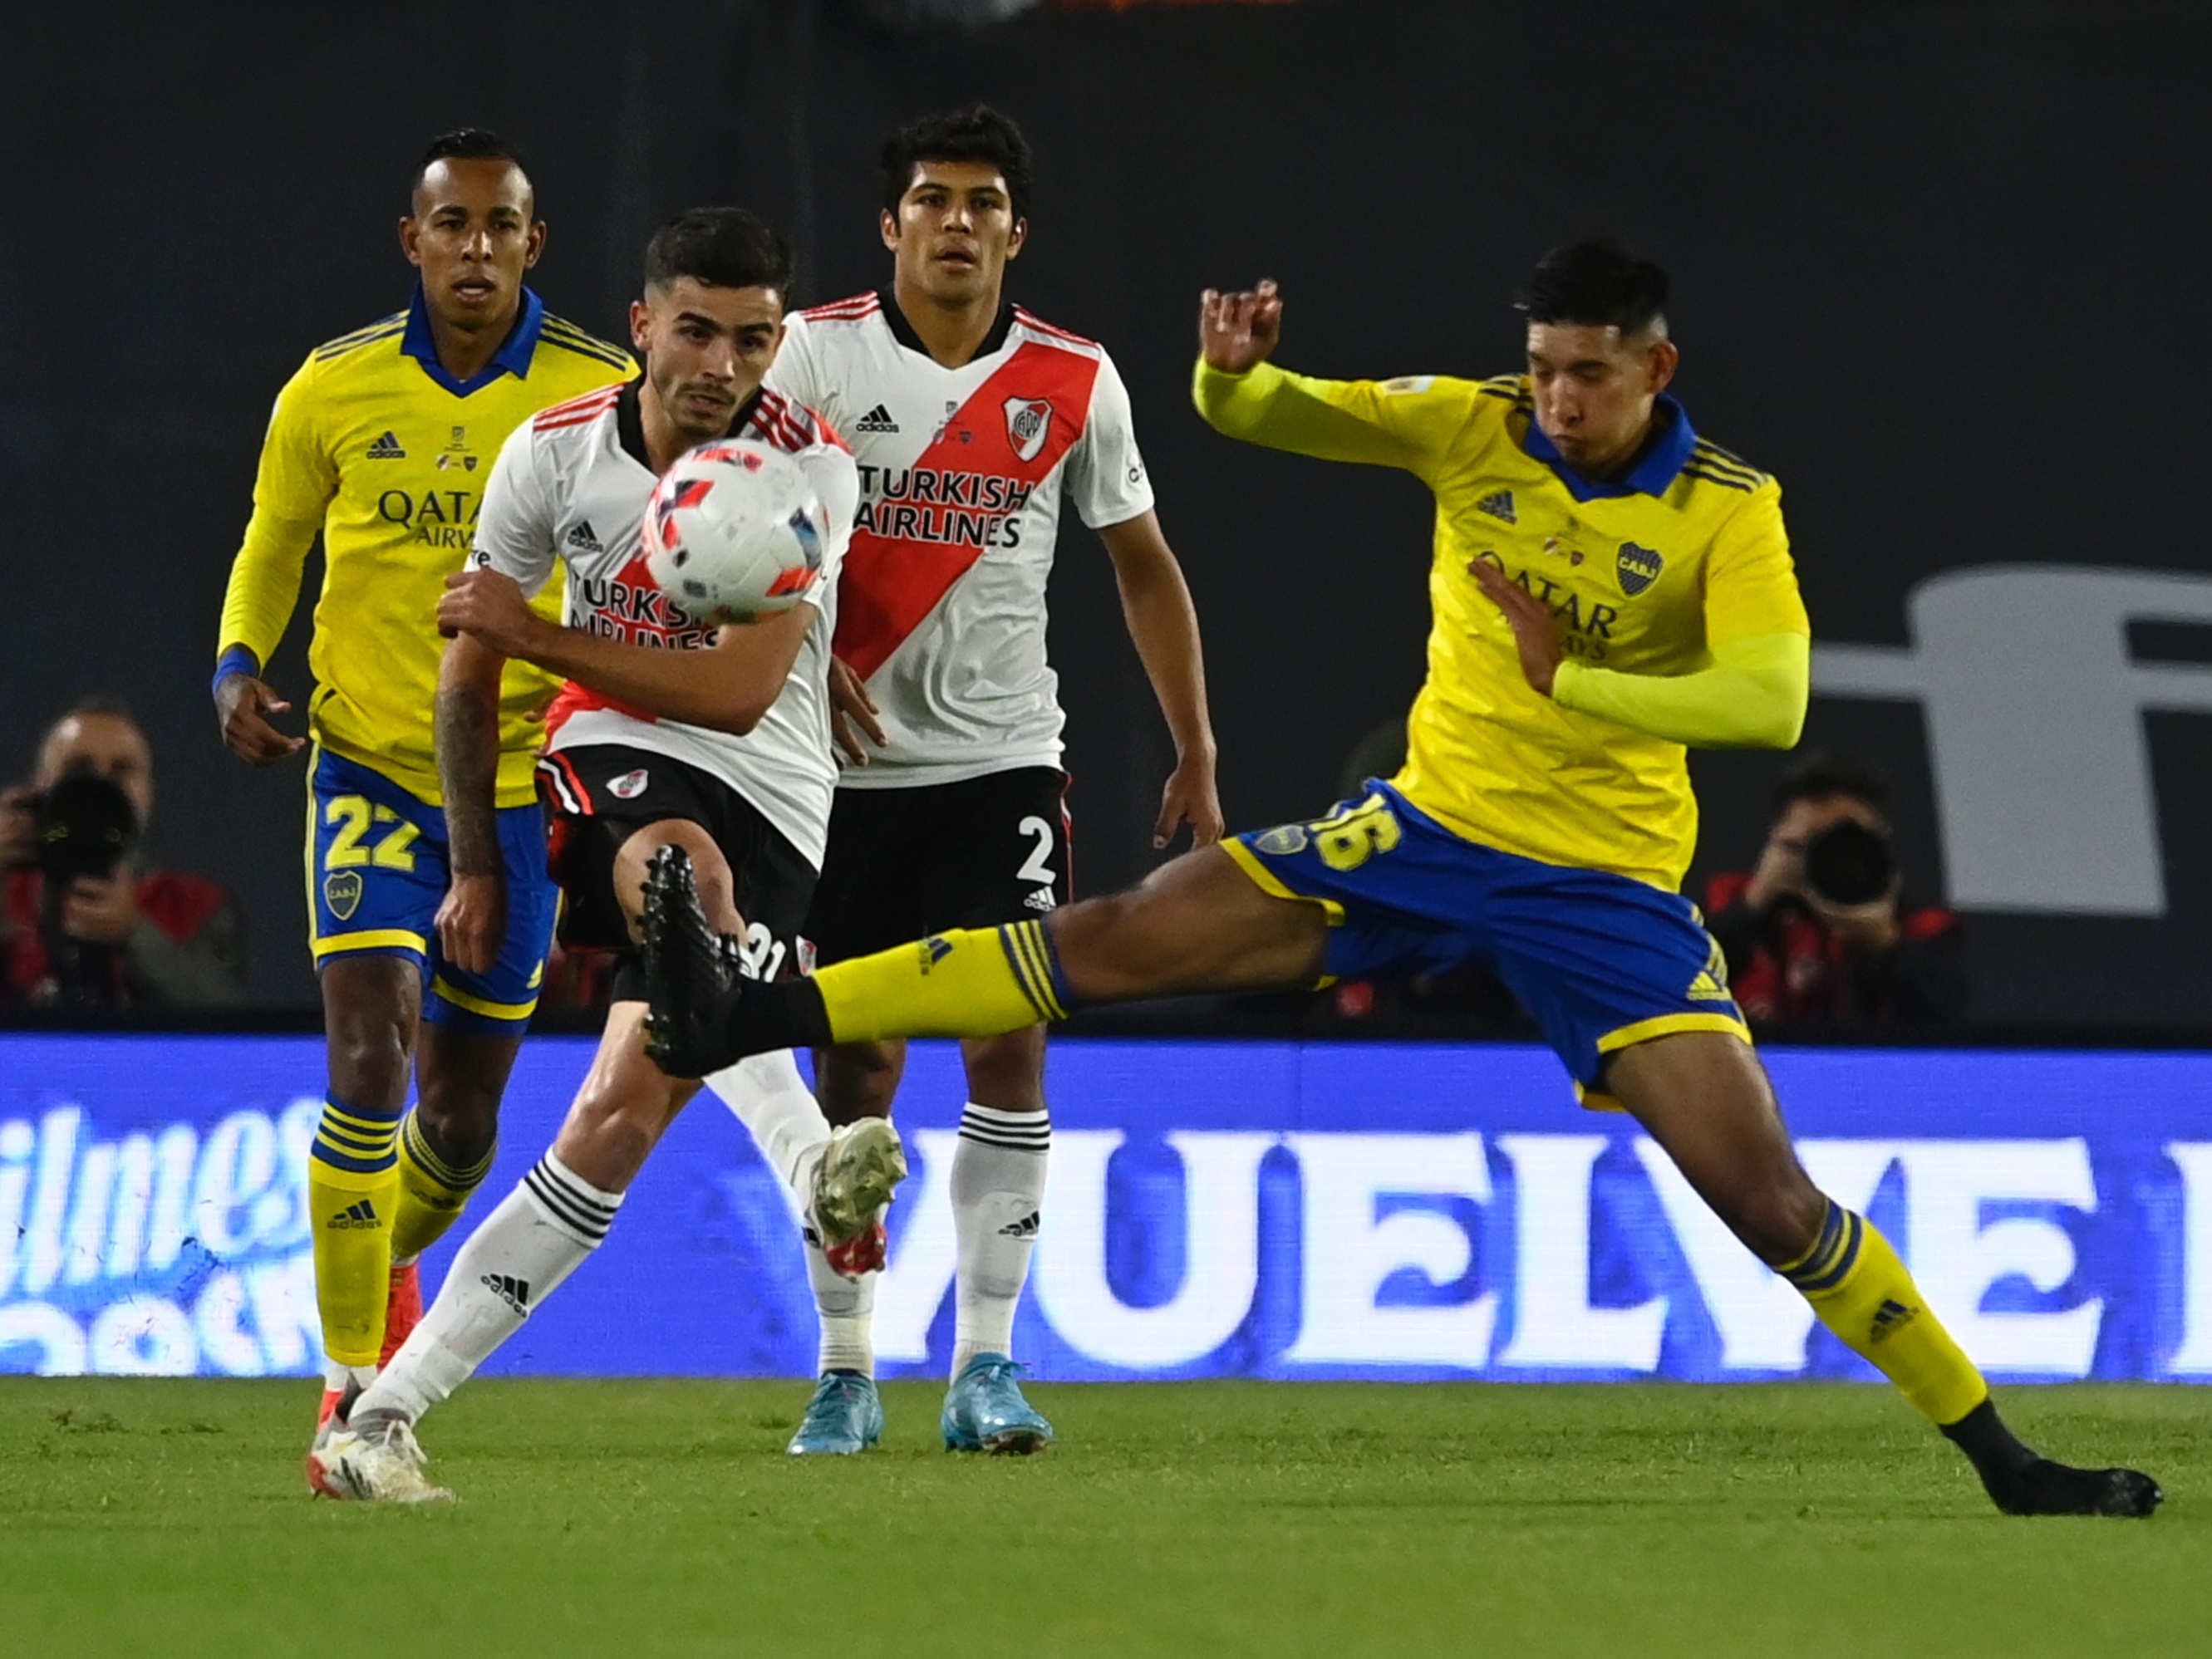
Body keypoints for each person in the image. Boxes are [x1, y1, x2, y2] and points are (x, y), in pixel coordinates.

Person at [645, 241, 2160, 1518]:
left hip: (1607, 892)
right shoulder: (1471, 421)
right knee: (1101, 939)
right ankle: (755, 1007)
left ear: (1657, 367)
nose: (1556, 397)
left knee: (1764, 1197)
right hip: (1424, 836)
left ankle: (2005, 1458)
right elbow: (1267, 415)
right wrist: (1231, 371)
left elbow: (1764, 707)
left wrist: (1580, 683)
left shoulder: (1728, 509)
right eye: (1545, 363)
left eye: (1590, 373)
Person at [307, 206, 882, 1504]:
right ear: (642, 327)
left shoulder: (814, 474)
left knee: (611, 1122)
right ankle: (806, 1159)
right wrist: (475, 863)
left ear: (776, 342)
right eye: (694, 331)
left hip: (782, 788)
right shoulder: (553, 453)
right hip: (617, 751)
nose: (719, 366)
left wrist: (533, 631)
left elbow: (737, 694)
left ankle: (381, 1417)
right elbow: (470, 671)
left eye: (749, 340)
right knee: (682, 870)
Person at [707, 105, 1222, 1458]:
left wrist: (1197, 743)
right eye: (930, 199)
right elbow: (733, 533)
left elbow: (1142, 561)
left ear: (1015, 230)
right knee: (856, 1066)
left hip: (1000, 763)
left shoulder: (1073, 378)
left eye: (981, 202)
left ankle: (986, 1366)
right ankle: (846, 1368)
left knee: (1009, 1039)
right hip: (834, 774)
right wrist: (796, 658)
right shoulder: (813, 353)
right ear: (890, 226)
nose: (955, 222)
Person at [210, 129, 633, 1471]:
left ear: (532, 244)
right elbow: (275, 540)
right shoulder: (331, 387)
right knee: (367, 1054)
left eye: (498, 226)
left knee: (456, 1122)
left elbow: (661, 551)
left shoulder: (596, 394)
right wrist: (235, 663)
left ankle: (374, 1262)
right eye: (449, 225)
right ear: (413, 241)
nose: (473, 248)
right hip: (369, 766)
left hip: (519, 792)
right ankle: (347, 1390)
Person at [1, 700, 245, 1008]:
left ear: (148, 791)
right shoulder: (10, 889)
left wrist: (134, 933)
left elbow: (228, 1017)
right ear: (37, 786)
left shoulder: (194, 904)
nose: (101, 784)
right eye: (80, 768)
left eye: (122, 771)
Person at [1706, 753, 1967, 1023]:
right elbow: (1682, 986)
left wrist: (1882, 942)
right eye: (1810, 841)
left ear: (1879, 841)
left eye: (1845, 841)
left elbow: (1946, 1017)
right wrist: (1754, 903)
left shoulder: (1923, 925)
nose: (1828, 855)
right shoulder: (1727, 905)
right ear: (1779, 840)